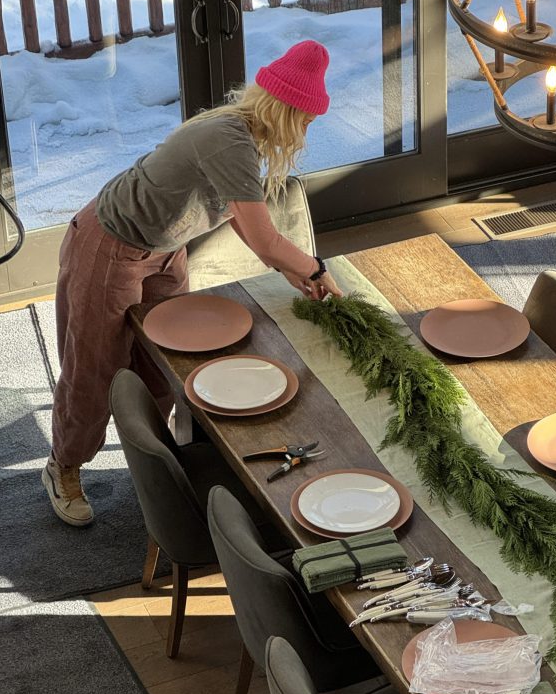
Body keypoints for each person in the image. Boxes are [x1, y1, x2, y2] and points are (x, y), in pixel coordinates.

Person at [43, 39, 341, 527]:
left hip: (163, 250)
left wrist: (289, 271)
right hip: (111, 245)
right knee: (95, 370)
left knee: (166, 363)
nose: (306, 131)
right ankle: (65, 465)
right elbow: (266, 238)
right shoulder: (229, 138)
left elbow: (244, 223)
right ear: (286, 109)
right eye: (305, 119)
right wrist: (314, 267)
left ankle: (154, 459)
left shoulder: (245, 137)